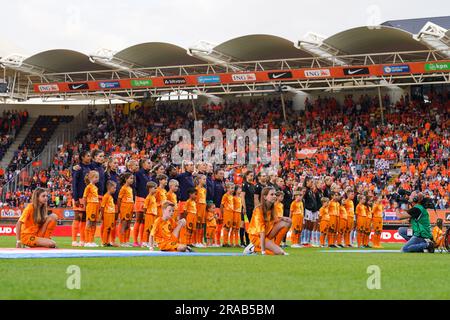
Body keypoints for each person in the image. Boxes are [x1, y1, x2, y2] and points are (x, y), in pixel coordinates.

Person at [244, 187, 291, 255]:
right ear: (265, 197)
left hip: (267, 233)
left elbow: (275, 220)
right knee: (278, 253)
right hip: (257, 236)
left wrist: (283, 218)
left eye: (275, 194)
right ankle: (252, 248)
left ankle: (276, 246)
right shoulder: (258, 210)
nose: (274, 196)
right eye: (272, 194)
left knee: (287, 222)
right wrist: (263, 251)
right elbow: (261, 232)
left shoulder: (273, 208)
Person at [71, 150, 92, 247]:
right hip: (79, 196)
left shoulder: (89, 167)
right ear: (82, 157)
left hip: (87, 197)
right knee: (77, 217)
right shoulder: (78, 168)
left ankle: (82, 240)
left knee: (84, 218)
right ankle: (74, 240)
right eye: (88, 155)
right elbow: (74, 183)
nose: (89, 157)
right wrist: (75, 198)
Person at [133, 158, 152, 247]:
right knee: (138, 220)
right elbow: (135, 185)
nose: (150, 164)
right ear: (143, 164)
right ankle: (135, 241)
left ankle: (143, 240)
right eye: (148, 163)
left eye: (150, 163)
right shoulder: (139, 173)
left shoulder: (149, 174)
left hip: (147, 200)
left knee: (144, 221)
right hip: (140, 199)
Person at [83, 171, 100, 247]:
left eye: (97, 177)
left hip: (96, 205)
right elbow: (85, 197)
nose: (97, 179)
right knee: (89, 222)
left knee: (94, 223)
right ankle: (87, 241)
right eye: (95, 177)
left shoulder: (96, 187)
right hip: (91, 205)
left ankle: (91, 240)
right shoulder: (88, 187)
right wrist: (86, 205)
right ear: (90, 178)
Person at [118, 172, 135, 247]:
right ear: (126, 179)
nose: (132, 180)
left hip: (130, 208)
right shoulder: (123, 188)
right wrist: (119, 209)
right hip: (125, 208)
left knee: (128, 224)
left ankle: (126, 241)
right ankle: (122, 241)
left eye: (132, 178)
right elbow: (119, 199)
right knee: (124, 224)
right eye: (130, 178)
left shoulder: (130, 188)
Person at [100, 180, 117, 247]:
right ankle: (104, 242)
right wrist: (102, 214)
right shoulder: (106, 196)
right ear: (109, 188)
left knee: (110, 228)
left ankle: (107, 241)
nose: (115, 189)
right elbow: (102, 206)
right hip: (107, 214)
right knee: (107, 228)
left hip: (111, 214)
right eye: (114, 188)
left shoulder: (110, 196)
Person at [142, 182, 158, 247]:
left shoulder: (153, 197)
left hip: (153, 214)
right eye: (155, 188)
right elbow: (145, 207)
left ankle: (151, 241)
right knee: (147, 229)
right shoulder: (148, 197)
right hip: (149, 214)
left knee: (152, 228)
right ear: (150, 189)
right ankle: (145, 241)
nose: (156, 190)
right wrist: (144, 214)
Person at [221, 182, 235, 247]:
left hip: (231, 213)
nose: (233, 189)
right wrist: (222, 213)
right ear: (227, 189)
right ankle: (224, 242)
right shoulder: (225, 195)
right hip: (227, 212)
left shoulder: (231, 196)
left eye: (233, 188)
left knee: (228, 227)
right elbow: (222, 204)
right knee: (226, 227)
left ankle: (226, 242)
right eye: (231, 188)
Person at [195, 175, 207, 247]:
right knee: (197, 224)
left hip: (203, 208)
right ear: (199, 180)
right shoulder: (196, 189)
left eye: (205, 179)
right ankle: (196, 241)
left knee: (202, 224)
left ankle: (200, 241)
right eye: (204, 179)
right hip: (198, 208)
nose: (205, 180)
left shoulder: (204, 189)